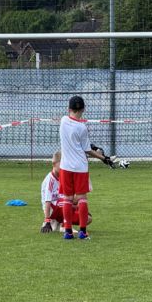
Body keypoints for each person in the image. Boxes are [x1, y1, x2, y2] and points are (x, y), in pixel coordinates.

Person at [58, 96, 111, 240]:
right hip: (80, 167)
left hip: (66, 166)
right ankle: (82, 231)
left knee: (67, 199)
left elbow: (78, 143)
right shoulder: (82, 127)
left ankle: (68, 231)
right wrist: (103, 158)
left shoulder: (63, 121)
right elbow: (87, 149)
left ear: (69, 109)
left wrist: (89, 146)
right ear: (83, 109)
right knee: (82, 198)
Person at [40, 150, 92, 233]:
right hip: (53, 209)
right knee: (67, 201)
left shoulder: (64, 177)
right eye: (62, 164)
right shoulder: (50, 180)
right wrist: (47, 219)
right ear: (54, 164)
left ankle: (59, 222)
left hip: (61, 206)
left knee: (87, 218)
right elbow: (47, 201)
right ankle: (64, 226)